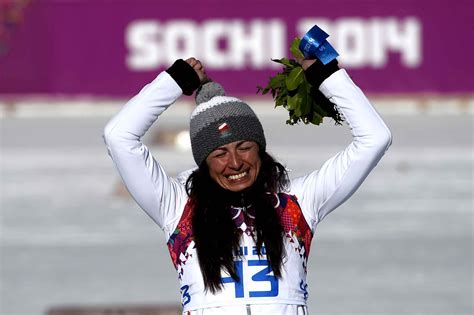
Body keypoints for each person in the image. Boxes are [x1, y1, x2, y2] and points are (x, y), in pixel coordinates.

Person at [103, 56, 392, 315]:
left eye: (244, 147)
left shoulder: (298, 200)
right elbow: (118, 137)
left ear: (261, 149)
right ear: (203, 163)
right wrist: (174, 82)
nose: (235, 163)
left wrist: (327, 77)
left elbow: (375, 138)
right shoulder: (177, 206)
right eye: (219, 154)